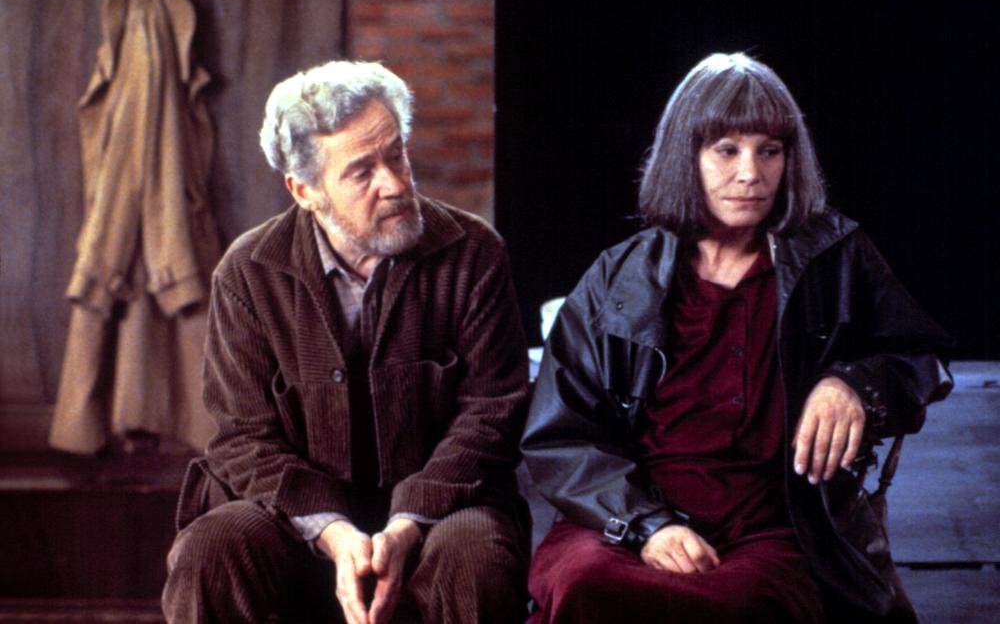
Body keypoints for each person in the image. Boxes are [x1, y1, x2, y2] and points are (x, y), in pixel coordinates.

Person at [520, 53, 953, 623]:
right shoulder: (616, 275)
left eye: (769, 151)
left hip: (776, 525)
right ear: (686, 158)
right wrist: (648, 525)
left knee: (739, 605)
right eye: (727, 150)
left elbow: (921, 359)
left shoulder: (835, 257)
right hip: (626, 519)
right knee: (586, 586)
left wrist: (853, 384)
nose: (751, 173)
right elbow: (559, 436)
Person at [162, 61, 530, 624]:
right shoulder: (247, 273)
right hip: (294, 521)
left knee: (474, 557)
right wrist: (333, 533)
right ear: (304, 191)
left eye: (396, 155)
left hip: (439, 514)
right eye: (362, 172)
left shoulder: (474, 253)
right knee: (210, 550)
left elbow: (491, 413)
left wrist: (405, 525)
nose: (396, 183)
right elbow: (243, 436)